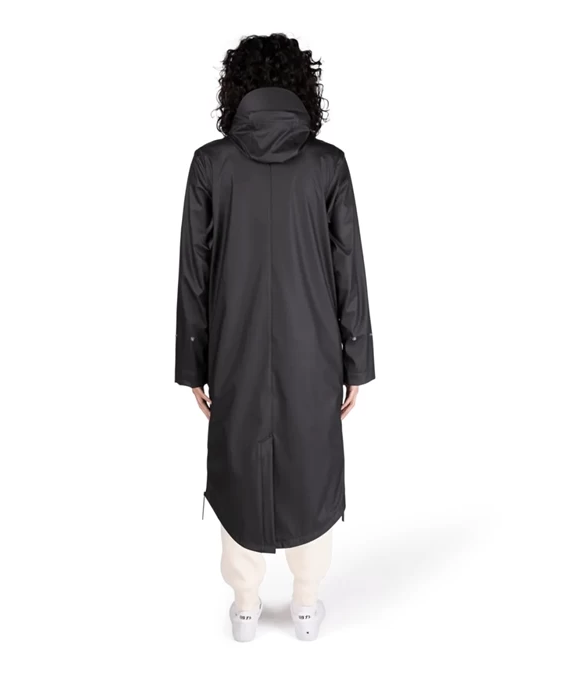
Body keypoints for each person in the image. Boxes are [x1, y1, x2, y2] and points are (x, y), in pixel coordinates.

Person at [174, 34, 375, 641]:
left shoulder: (211, 164)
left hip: (232, 349)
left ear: (236, 90)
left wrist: (194, 365)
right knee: (310, 461)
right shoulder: (327, 164)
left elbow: (194, 275)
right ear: (302, 88)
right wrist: (355, 362)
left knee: (238, 464)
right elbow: (348, 269)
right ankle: (307, 602)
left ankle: (245, 605)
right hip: (313, 348)